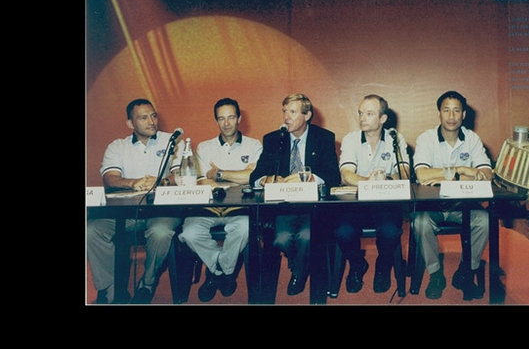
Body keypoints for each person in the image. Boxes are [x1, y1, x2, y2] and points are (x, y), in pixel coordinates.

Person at [87, 98, 183, 304]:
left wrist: (161, 181)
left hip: (162, 213)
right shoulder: (117, 146)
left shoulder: (172, 141)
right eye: (143, 117)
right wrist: (133, 183)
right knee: (91, 230)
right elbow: (110, 177)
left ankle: (147, 284)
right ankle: (110, 289)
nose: (151, 121)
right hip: (126, 214)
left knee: (161, 232)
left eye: (153, 115)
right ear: (130, 124)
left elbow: (182, 175)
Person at [248, 93, 340, 296]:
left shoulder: (324, 138)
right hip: (283, 206)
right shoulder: (274, 139)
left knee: (306, 237)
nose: (286, 117)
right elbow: (256, 175)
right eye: (284, 112)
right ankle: (301, 264)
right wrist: (266, 179)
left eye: (292, 112)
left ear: (307, 115)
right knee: (281, 239)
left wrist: (308, 178)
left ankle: (298, 272)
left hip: (313, 208)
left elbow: (333, 176)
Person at [178, 98, 263, 302]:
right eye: (221, 118)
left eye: (231, 117)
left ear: (239, 119)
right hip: (208, 208)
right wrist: (239, 176)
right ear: (216, 121)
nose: (226, 123)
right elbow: (200, 181)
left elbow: (253, 177)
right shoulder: (204, 148)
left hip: (240, 208)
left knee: (244, 229)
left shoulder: (254, 146)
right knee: (189, 233)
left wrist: (218, 173)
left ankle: (217, 273)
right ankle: (222, 272)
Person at [412, 90, 493, 300]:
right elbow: (422, 175)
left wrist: (443, 177)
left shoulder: (472, 139)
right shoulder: (426, 138)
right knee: (420, 224)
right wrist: (462, 170)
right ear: (439, 113)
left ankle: (467, 269)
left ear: (464, 114)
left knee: (484, 220)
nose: (451, 116)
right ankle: (435, 273)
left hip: (462, 205)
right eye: (446, 110)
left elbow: (485, 174)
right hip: (432, 206)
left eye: (456, 110)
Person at [334, 94, 410, 295]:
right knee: (343, 232)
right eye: (361, 113)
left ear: (383, 119)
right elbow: (346, 174)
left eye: (369, 114)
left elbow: (404, 171)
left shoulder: (395, 138)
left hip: (385, 203)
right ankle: (357, 264)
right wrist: (368, 182)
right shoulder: (351, 139)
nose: (362, 118)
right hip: (356, 204)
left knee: (391, 232)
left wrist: (386, 180)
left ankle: (384, 265)